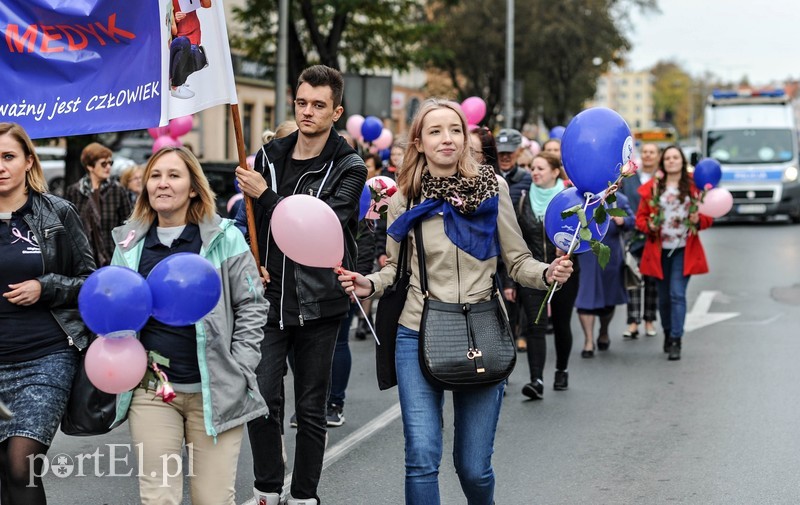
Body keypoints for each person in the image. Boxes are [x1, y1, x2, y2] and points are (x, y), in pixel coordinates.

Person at [337, 99, 573, 505]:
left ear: (465, 138)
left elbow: (515, 260)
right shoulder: (405, 198)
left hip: (483, 327)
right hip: (418, 329)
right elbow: (394, 269)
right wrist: (368, 284)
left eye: (454, 130)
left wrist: (546, 273)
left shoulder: (493, 188)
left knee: (474, 467)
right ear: (419, 142)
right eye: (435, 131)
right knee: (422, 457)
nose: (446, 138)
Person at [235, 64, 367, 505]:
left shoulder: (349, 165)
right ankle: (268, 488)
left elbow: (320, 223)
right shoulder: (269, 157)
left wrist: (265, 196)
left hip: (321, 301)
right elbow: (250, 226)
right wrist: (253, 262)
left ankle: (305, 495)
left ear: (336, 111)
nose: (308, 112)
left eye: (319, 105)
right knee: (262, 398)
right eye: (302, 103)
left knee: (311, 409)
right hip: (269, 299)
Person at [108, 146, 267, 504]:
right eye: (155, 175)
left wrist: (241, 367)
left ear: (193, 187)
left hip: (217, 390)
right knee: (158, 498)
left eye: (174, 175)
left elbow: (253, 305)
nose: (163, 184)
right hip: (153, 390)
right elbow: (117, 308)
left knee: (212, 499)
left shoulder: (224, 237)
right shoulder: (129, 243)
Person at [0, 123, 95, 505]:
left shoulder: (58, 213)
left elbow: (92, 281)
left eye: (8, 157)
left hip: (46, 357)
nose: (1, 166)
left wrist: (47, 286)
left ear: (28, 161)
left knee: (21, 464)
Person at [635, 145, 712, 360]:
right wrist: (649, 225)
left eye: (675, 157)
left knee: (677, 293)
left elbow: (708, 217)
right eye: (667, 158)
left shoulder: (695, 188)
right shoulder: (653, 188)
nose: (671, 161)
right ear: (663, 162)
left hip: (683, 249)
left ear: (682, 161)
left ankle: (677, 339)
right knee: (664, 298)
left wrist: (699, 220)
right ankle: (668, 333)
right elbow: (640, 219)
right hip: (659, 250)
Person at [514, 152, 579, 397]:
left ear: (555, 172)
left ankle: (561, 369)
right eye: (532, 168)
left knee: (562, 323)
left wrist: (569, 252)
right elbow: (516, 239)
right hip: (533, 271)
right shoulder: (522, 199)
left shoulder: (570, 199)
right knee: (535, 325)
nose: (535, 172)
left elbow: (585, 235)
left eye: (541, 168)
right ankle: (536, 380)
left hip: (565, 271)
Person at [574, 193, 635, 358]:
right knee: (585, 298)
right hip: (586, 254)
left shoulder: (619, 200)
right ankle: (588, 341)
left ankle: (603, 331)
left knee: (609, 299)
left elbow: (632, 220)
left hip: (610, 255)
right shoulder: (580, 198)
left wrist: (624, 221)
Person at [495, 128, 533, 352]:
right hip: (495, 249)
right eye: (501, 153)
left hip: (520, 243)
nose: (505, 157)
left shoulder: (526, 179)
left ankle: (523, 332)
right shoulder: (488, 177)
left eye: (509, 152)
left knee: (522, 293)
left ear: (518, 152)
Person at [64, 142, 132, 267]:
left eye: (110, 163)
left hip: (112, 256)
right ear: (90, 166)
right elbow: (69, 226)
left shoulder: (118, 190)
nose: (108, 167)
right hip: (84, 258)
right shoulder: (74, 191)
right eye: (103, 163)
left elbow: (128, 223)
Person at [620, 143, 660, 338]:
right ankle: (633, 322)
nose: (648, 155)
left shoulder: (662, 179)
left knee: (652, 281)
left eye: (652, 152)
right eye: (645, 152)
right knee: (633, 278)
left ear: (658, 156)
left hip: (654, 236)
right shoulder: (630, 178)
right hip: (633, 234)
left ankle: (649, 321)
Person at [169, 0, 212, 99]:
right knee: (187, 51)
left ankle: (180, 81)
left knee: (199, 60)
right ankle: (176, 84)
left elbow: (207, 4)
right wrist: (176, 19)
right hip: (180, 36)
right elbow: (172, 27)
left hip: (193, 32)